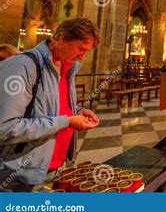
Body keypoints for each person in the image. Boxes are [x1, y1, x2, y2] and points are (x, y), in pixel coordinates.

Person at [0, 18, 101, 191]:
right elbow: (5, 127)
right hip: (20, 175)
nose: (83, 57)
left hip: (56, 168)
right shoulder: (23, 66)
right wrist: (67, 122)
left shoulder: (67, 67)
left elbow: (50, 108)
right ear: (61, 39)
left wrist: (77, 111)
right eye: (81, 49)